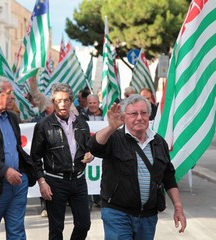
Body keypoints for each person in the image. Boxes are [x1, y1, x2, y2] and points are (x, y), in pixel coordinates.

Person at [88, 94, 187, 239]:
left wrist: (178, 207)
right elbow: (94, 146)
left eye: (144, 113)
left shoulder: (159, 142)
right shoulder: (114, 138)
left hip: (148, 216)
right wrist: (111, 128)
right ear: (123, 117)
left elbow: (168, 177)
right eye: (134, 113)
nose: (139, 118)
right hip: (117, 213)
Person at [30, 83, 94, 240]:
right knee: (56, 228)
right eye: (58, 100)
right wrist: (42, 182)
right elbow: (35, 157)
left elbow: (88, 148)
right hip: (55, 181)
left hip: (79, 181)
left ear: (71, 101)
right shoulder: (43, 125)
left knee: (84, 224)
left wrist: (90, 154)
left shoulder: (82, 123)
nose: (62, 104)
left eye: (65, 100)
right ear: (53, 102)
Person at [0, 76, 36, 239]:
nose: (13, 97)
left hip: (18, 183)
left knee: (17, 232)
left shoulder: (13, 117)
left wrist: (28, 174)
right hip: (1, 184)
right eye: (9, 93)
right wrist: (5, 170)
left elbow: (16, 149)